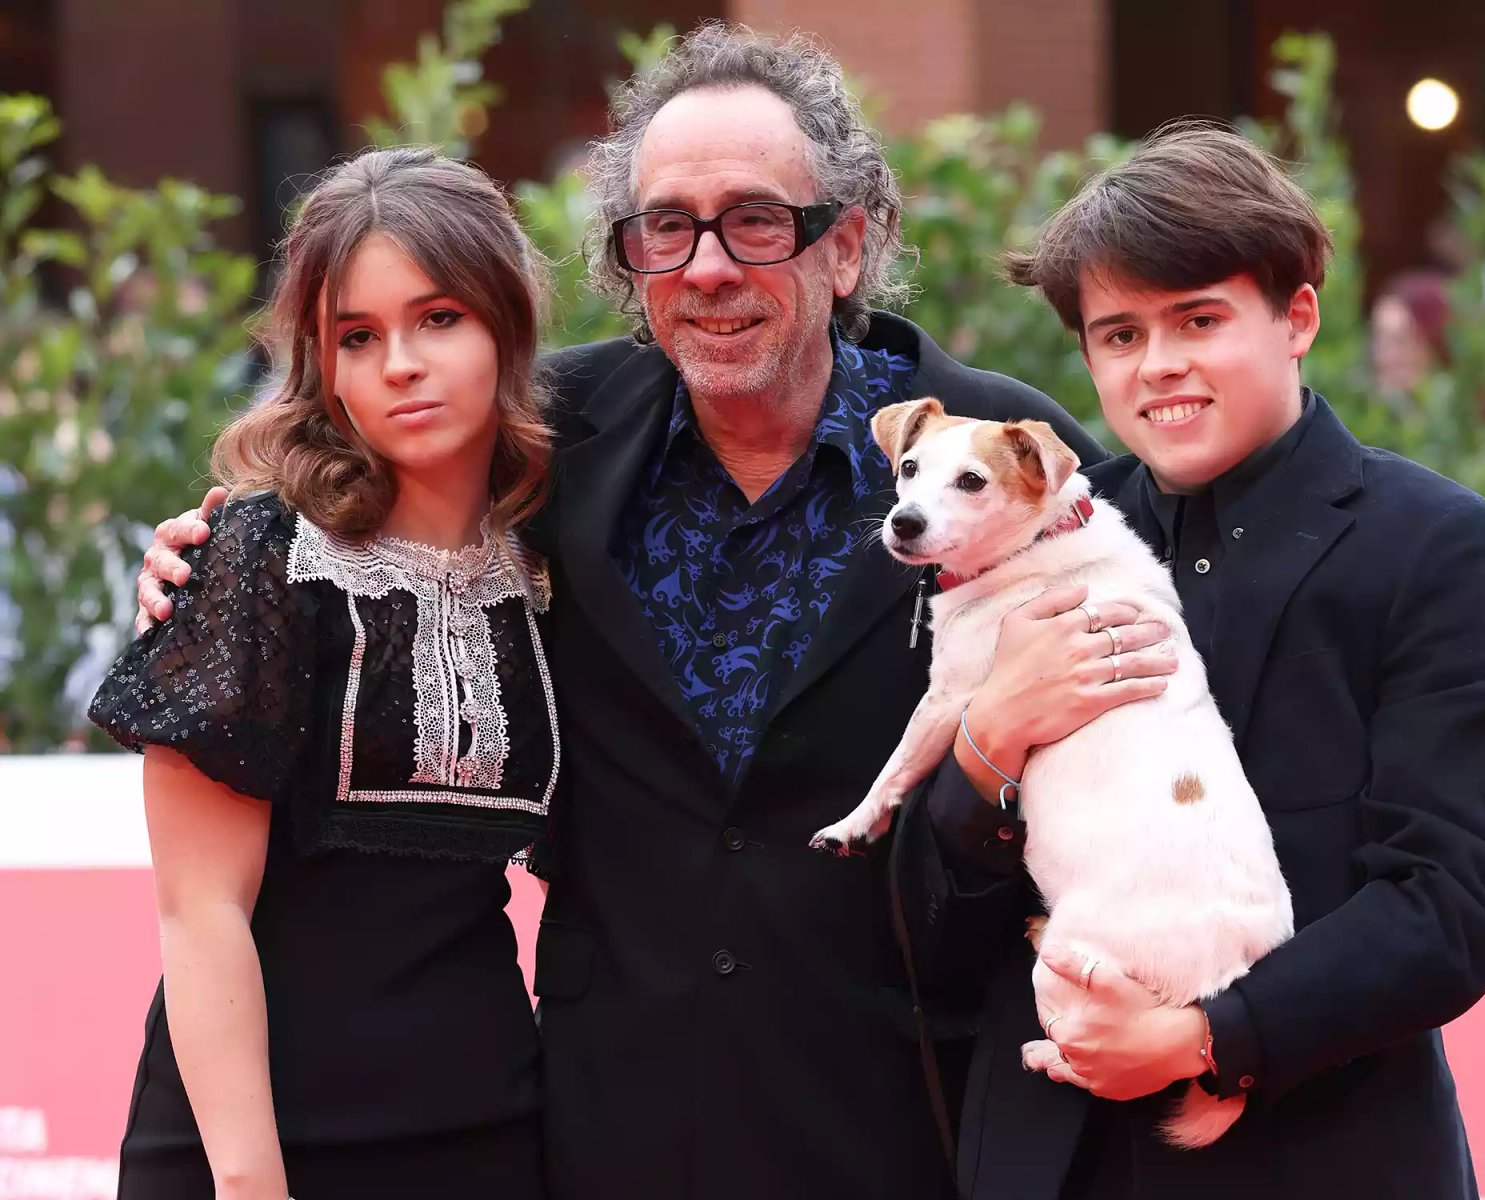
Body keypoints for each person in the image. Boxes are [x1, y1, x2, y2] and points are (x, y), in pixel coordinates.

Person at [131, 23, 1184, 1200]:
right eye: (666, 229)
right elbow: (362, 482)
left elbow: (1154, 717)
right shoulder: (547, 440)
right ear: (629, 262)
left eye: (755, 221)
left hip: (900, 1111)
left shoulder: (1009, 454)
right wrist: (208, 560)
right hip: (598, 1117)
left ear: (846, 245)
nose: (708, 267)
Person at [898, 122, 1485, 1199]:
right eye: (1117, 336)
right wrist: (985, 749)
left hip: (1320, 1155)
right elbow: (927, 909)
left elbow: (1454, 901)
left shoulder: (1431, 544)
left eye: (1198, 320)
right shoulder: (1032, 533)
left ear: (1294, 316)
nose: (1158, 366)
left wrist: (1206, 1036)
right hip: (1047, 1152)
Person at [92, 146, 559, 1199]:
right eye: (359, 336)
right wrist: (252, 1184)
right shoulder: (260, 556)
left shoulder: (552, 559)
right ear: (323, 363)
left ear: (505, 324)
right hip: (253, 1147)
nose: (400, 362)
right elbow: (200, 909)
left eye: (438, 318)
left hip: (488, 1132)